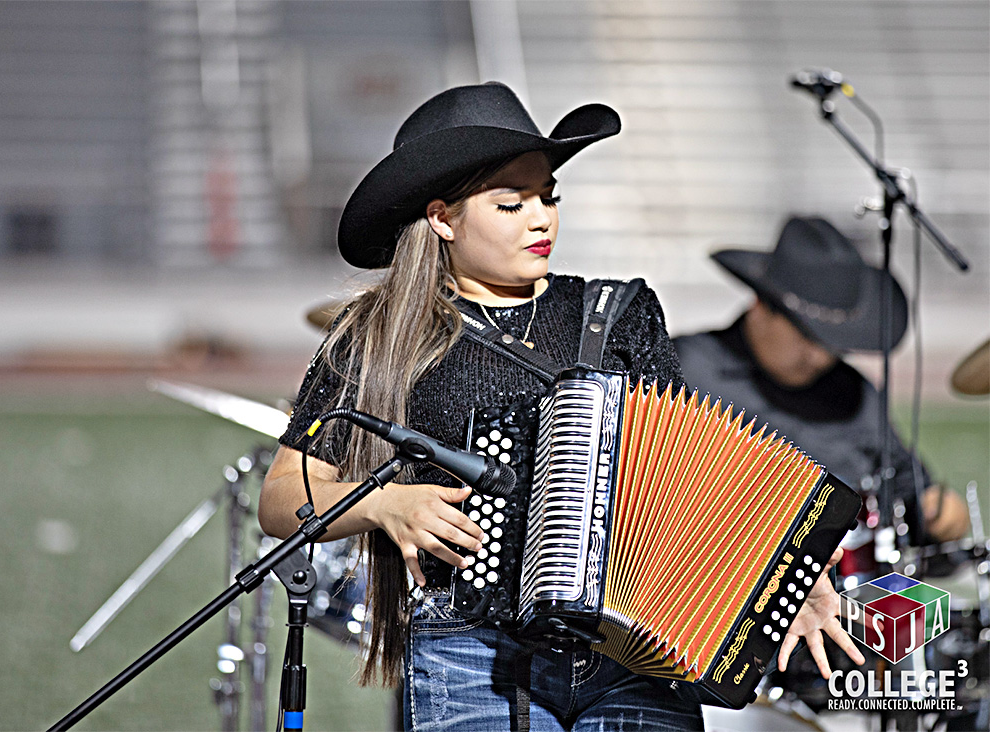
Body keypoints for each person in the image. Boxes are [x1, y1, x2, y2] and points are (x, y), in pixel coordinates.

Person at [258, 84, 862, 731]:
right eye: (512, 203)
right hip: (468, 655)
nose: (542, 218)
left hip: (640, 656)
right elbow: (280, 500)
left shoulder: (621, 312)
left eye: (549, 197)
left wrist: (772, 581)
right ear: (443, 218)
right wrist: (383, 504)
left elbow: (684, 481)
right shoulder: (376, 334)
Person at [673, 216, 970, 576]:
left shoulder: (855, 395)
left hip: (839, 609)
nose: (819, 357)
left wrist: (941, 512)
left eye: (832, 343)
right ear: (760, 305)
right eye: (807, 335)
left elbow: (912, 492)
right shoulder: (683, 371)